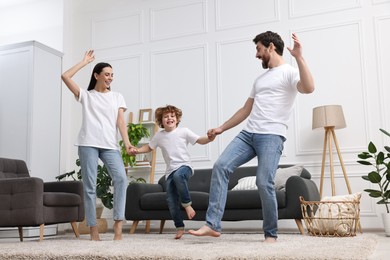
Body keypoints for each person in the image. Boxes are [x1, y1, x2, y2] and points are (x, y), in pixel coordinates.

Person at [188, 31, 315, 243]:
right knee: (221, 166)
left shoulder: (289, 72)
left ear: (271, 47)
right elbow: (246, 109)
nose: (256, 54)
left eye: (258, 49)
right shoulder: (260, 78)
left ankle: (271, 234)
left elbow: (309, 88)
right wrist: (221, 128)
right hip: (248, 134)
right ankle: (212, 225)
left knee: (264, 182)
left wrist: (300, 57)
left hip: (272, 136)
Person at [61, 50, 134, 241]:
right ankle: (93, 229)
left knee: (120, 179)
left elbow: (120, 122)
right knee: (90, 186)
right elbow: (65, 76)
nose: (110, 78)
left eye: (112, 75)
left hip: (110, 145)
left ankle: (118, 226)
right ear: (96, 75)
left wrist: (126, 143)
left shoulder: (117, 96)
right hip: (88, 144)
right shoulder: (86, 95)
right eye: (107, 74)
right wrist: (84, 62)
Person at [131, 105, 215, 239]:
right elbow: (149, 147)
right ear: (161, 121)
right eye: (166, 117)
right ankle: (180, 227)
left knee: (178, 175)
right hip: (169, 172)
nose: (169, 118)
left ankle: (187, 205)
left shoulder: (184, 131)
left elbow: (200, 140)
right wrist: (137, 150)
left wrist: (210, 138)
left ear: (177, 119)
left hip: (184, 167)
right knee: (170, 200)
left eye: (172, 116)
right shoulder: (159, 136)